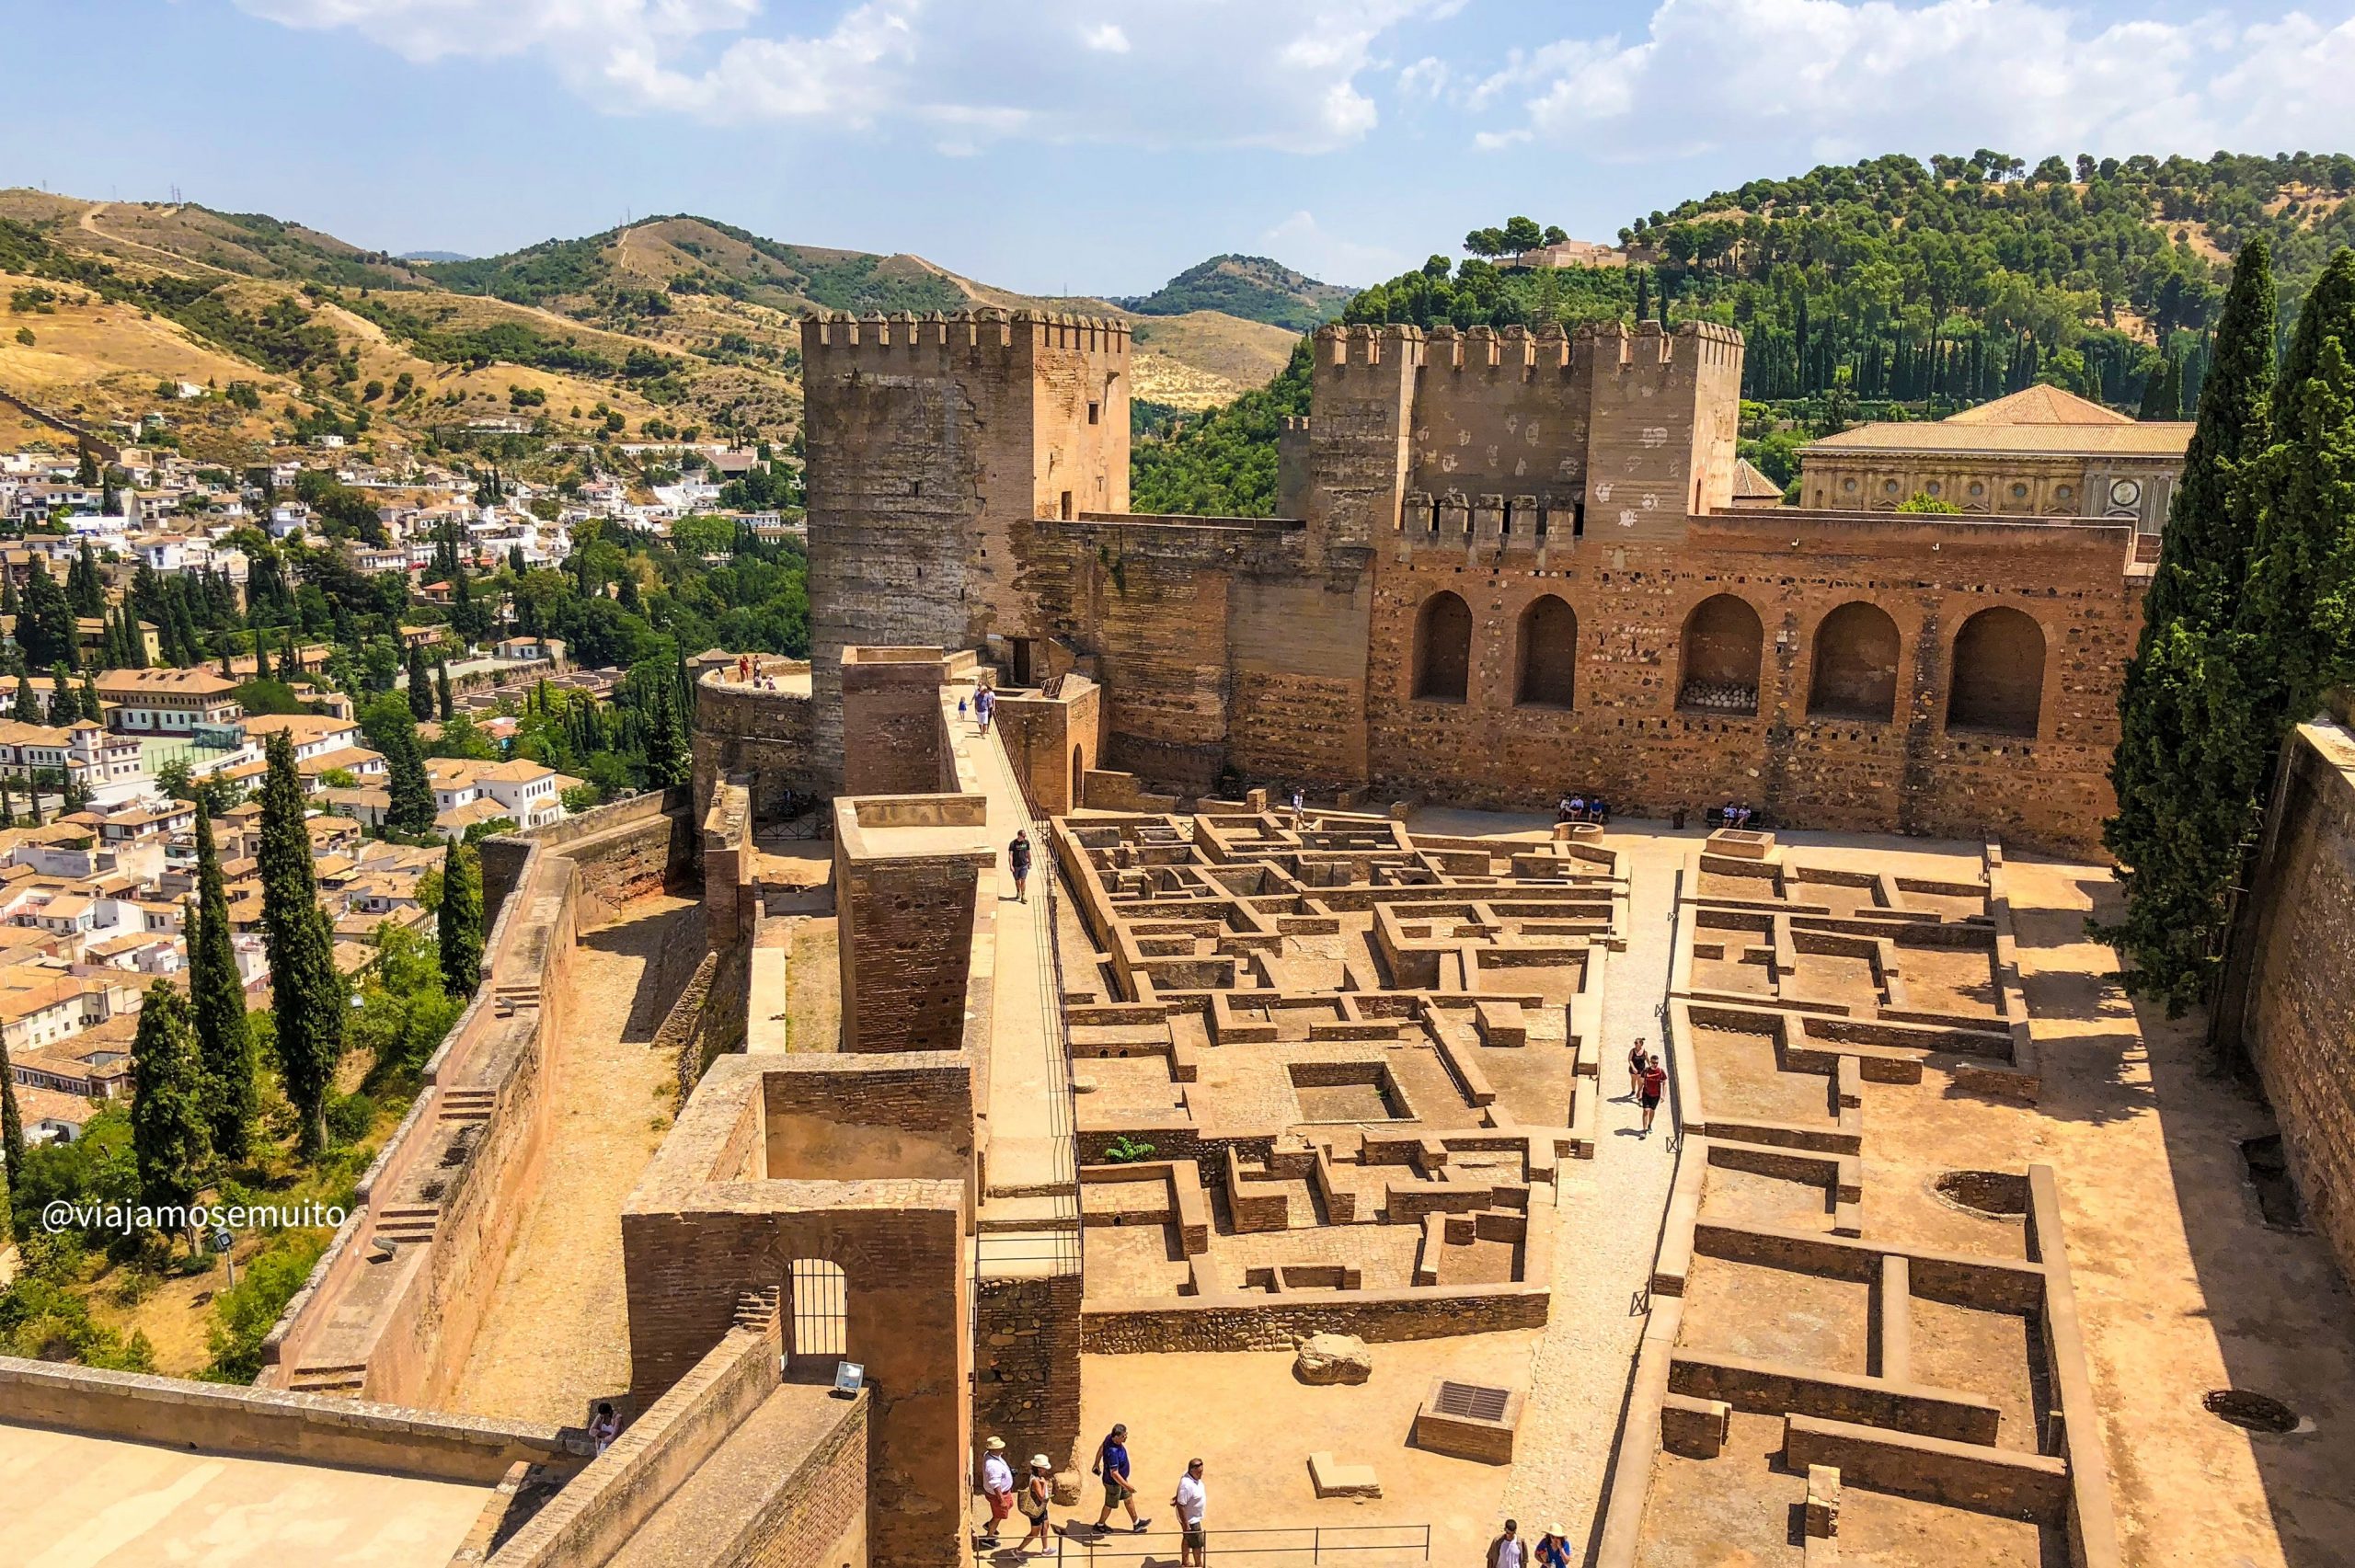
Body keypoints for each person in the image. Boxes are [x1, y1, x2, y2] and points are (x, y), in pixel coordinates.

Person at [1090, 1422, 1148, 1533]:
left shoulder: (1109, 1437)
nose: (1126, 1437)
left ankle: (1136, 1523)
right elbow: (1114, 1474)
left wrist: (1096, 1463)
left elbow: (1101, 1448)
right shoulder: (1113, 1452)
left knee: (1128, 1498)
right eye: (1123, 1436)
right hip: (1113, 1483)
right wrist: (1127, 1486)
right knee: (1109, 1505)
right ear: (1116, 1437)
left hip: (1121, 1480)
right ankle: (1100, 1524)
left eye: (1126, 1434)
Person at [979, 1436, 1016, 1547]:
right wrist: (1001, 1500)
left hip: (1003, 1493)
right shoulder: (993, 1465)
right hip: (999, 1495)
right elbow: (995, 1484)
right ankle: (988, 1538)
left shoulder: (989, 1455)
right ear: (993, 1449)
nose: (1002, 1449)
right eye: (999, 1448)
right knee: (999, 1515)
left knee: (1009, 1506)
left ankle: (990, 1525)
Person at [1017, 1454, 1054, 1557]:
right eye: (1044, 1468)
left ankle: (1045, 1549)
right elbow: (1041, 1496)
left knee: (1045, 1525)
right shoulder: (1036, 1481)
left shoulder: (1039, 1477)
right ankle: (1018, 1551)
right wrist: (1045, 1484)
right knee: (1034, 1533)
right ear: (1039, 1468)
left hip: (1041, 1508)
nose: (1046, 1470)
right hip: (1036, 1510)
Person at [1172, 1457, 1207, 1565]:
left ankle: (1185, 1562)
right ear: (1192, 1470)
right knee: (1197, 1543)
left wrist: (1177, 1497)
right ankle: (1199, 1564)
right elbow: (1181, 1505)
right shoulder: (1187, 1485)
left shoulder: (1187, 1475)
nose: (1201, 1474)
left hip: (1191, 1516)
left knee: (1187, 1538)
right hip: (1191, 1519)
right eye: (1199, 1472)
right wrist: (1186, 1523)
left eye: (1201, 1471)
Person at [1639, 1052, 1668, 1138]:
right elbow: (1641, 1081)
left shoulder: (1660, 1072)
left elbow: (1665, 1083)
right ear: (1650, 1062)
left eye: (1656, 1063)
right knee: (1646, 1110)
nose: (1655, 1064)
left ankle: (1649, 1125)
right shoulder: (1646, 1071)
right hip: (1646, 1093)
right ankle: (1644, 1130)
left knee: (1652, 1110)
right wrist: (1639, 1091)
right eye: (1653, 1063)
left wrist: (1663, 1095)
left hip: (1656, 1095)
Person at [1009, 830, 1033, 903]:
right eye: (1023, 836)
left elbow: (1028, 853)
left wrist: (1030, 862)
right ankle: (1018, 891)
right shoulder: (1013, 844)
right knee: (1017, 880)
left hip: (1024, 865)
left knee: (1023, 880)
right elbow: (1010, 855)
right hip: (1016, 865)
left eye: (1025, 836)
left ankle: (1023, 896)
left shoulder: (1026, 842)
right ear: (1019, 836)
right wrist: (1011, 865)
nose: (1024, 837)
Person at [1626, 1035, 1648, 1102]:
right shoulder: (1632, 1051)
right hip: (1633, 1069)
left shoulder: (1644, 1051)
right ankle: (1633, 1090)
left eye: (1636, 1043)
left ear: (1641, 1044)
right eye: (1635, 1042)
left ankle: (1639, 1096)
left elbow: (1647, 1059)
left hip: (1641, 1070)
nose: (1635, 1044)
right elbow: (1629, 1059)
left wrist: (1650, 1066)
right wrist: (1633, 1068)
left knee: (1640, 1083)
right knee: (1633, 1080)